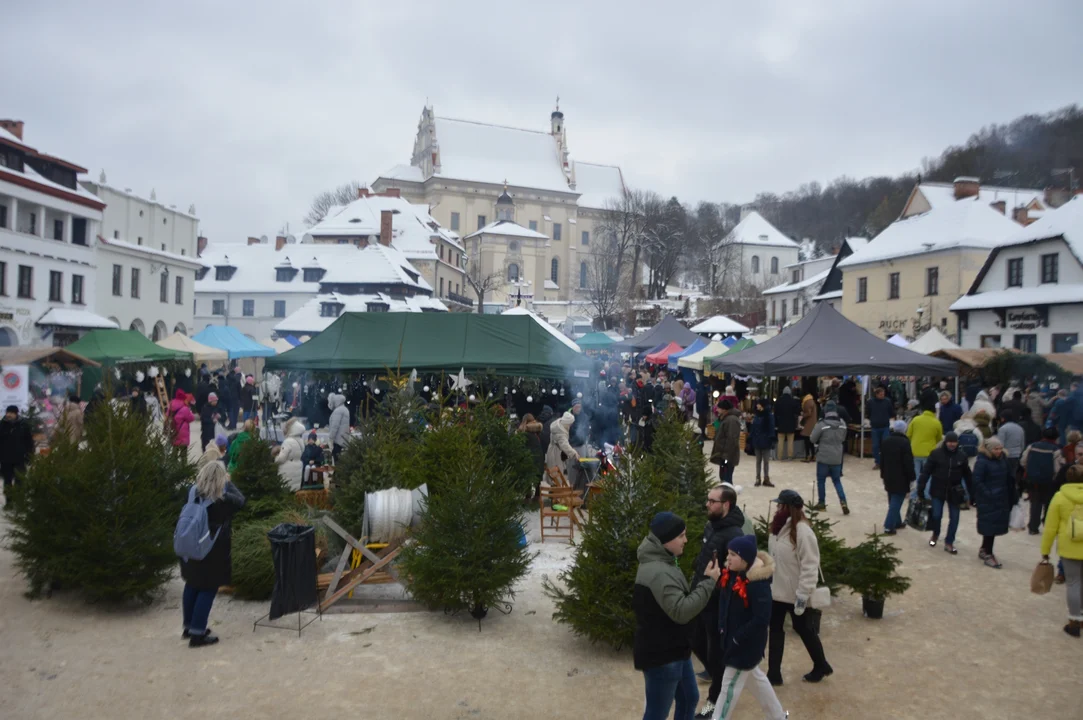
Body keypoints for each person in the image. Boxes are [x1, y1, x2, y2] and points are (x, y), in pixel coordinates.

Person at [633, 511, 721, 720]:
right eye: (681, 535)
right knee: (657, 713)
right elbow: (681, 611)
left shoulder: (665, 560)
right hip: (662, 656)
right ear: (666, 539)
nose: (686, 540)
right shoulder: (659, 572)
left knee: (690, 698)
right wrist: (709, 582)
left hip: (676, 649)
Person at [712, 535, 787, 720]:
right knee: (757, 680)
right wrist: (722, 627)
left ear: (744, 559)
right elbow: (724, 603)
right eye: (728, 553)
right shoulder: (731, 575)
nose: (727, 558)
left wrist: (738, 637)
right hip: (733, 641)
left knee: (728, 688)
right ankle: (779, 716)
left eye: (732, 554)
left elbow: (762, 619)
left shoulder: (758, 585)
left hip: (744, 647)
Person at [690, 486, 747, 719]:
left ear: (726, 505)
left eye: (712, 501)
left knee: (716, 656)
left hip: (717, 605)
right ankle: (719, 679)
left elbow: (736, 575)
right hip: (701, 599)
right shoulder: (712, 526)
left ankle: (711, 706)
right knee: (694, 639)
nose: (707, 504)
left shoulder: (735, 535)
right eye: (708, 499)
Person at [767, 490, 832, 687]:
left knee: (804, 629)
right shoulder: (777, 529)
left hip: (795, 594)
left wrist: (802, 595)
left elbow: (810, 566)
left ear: (788, 508)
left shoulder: (803, 532)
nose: (777, 508)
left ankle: (821, 665)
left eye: (780, 505)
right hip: (777, 592)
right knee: (775, 630)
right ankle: (774, 673)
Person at [179, 460, 246, 647]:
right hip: (212, 549)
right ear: (221, 479)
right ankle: (198, 634)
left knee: (192, 583)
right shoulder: (223, 500)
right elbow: (241, 500)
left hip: (190, 544)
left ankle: (189, 626)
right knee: (207, 588)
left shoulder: (192, 492)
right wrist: (228, 482)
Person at [1040, 464, 1083, 637]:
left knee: (1073, 583)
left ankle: (1074, 621)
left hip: (1069, 546)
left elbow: (1050, 528)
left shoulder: (1059, 497)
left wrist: (1045, 550)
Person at [917, 432, 972, 553]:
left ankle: (949, 542)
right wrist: (921, 486)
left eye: (954, 442)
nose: (952, 444)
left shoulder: (962, 456)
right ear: (945, 442)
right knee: (936, 515)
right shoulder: (936, 454)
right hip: (938, 489)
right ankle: (935, 535)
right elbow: (926, 471)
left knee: (955, 518)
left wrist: (972, 493)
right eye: (949, 442)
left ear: (957, 443)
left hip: (955, 491)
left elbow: (967, 475)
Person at [970, 437, 1014, 569]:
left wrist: (1013, 495)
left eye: (1000, 448)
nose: (999, 451)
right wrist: (988, 493)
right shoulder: (982, 462)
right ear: (989, 449)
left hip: (1001, 498)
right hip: (988, 499)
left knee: (994, 526)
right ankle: (988, 553)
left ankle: (984, 549)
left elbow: (1009, 479)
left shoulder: (1003, 461)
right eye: (996, 449)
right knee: (989, 525)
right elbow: (977, 481)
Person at [1021, 427, 1062, 535]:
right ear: (1056, 437)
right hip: (1049, 482)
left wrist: (1029, 470)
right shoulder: (1056, 450)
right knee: (1049, 504)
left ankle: (1033, 527)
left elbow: (1023, 461)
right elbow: (1057, 469)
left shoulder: (1032, 446)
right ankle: (1048, 526)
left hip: (1033, 480)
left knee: (1035, 503)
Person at [810, 401, 849, 514]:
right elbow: (843, 438)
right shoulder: (842, 423)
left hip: (823, 456)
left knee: (821, 480)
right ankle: (843, 502)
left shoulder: (821, 424)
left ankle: (822, 503)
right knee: (837, 481)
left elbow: (812, 439)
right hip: (837, 456)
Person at [880, 420, 915, 534]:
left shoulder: (886, 441)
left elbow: (882, 460)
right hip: (901, 476)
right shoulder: (905, 442)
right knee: (896, 501)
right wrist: (912, 477)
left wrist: (883, 473)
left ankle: (897, 522)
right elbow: (908, 462)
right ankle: (889, 526)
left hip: (888, 475)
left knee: (892, 499)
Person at [906, 403, 943, 499]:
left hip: (915, 451)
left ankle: (914, 495)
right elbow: (939, 438)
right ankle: (927, 495)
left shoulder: (915, 420)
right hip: (929, 452)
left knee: (916, 475)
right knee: (929, 475)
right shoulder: (936, 422)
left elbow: (908, 434)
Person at [0, 405, 35, 505]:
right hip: (5, 458)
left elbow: (29, 442)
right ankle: (9, 502)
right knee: (7, 481)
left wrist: (29, 455)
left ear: (16, 414)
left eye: (11, 413)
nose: (9, 415)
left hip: (20, 458)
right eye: (8, 412)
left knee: (20, 481)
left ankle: (19, 501)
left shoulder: (23, 425)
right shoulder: (2, 425)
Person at [710, 400, 741, 485]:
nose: (717, 410)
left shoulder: (731, 420)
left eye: (719, 408)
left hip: (727, 455)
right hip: (723, 455)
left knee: (726, 476)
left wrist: (726, 455)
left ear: (724, 409)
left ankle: (728, 492)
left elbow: (732, 439)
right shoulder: (724, 418)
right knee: (723, 475)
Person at [865, 385, 894, 470]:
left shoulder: (887, 401)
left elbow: (891, 412)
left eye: (883, 394)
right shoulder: (870, 402)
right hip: (875, 427)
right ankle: (878, 462)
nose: (882, 395)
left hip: (885, 426)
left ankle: (886, 462)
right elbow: (868, 412)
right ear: (876, 394)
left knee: (886, 445)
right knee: (875, 446)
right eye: (881, 394)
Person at [749, 398, 776, 488]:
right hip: (757, 441)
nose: (757, 405)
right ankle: (758, 478)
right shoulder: (756, 415)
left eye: (758, 404)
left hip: (766, 441)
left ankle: (766, 478)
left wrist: (771, 439)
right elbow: (753, 428)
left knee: (766, 461)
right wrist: (750, 439)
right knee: (758, 461)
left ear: (762, 405)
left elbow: (771, 428)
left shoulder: (769, 415)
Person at [273, 418, 306, 490]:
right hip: (297, 469)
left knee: (286, 491)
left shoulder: (288, 442)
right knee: (294, 491)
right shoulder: (300, 441)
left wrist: (275, 458)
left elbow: (281, 459)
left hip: (287, 471)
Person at [545, 411, 577, 480]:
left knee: (557, 474)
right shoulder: (560, 431)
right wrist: (574, 453)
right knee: (557, 476)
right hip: (555, 453)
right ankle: (556, 489)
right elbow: (564, 445)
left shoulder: (559, 425)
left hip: (555, 450)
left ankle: (556, 488)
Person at [518, 414, 545, 490]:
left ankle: (527, 498)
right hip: (539, 458)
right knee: (537, 480)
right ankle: (537, 497)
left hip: (527, 459)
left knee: (527, 480)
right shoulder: (539, 431)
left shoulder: (522, 433)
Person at [996, 410, 1025, 479]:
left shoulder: (1003, 428)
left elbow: (1000, 444)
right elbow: (1022, 444)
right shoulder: (1020, 428)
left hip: (1006, 455)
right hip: (1017, 455)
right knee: (1013, 475)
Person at [774, 387, 800, 462]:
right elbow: (797, 412)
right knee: (790, 441)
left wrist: (776, 424)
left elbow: (775, 413)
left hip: (781, 424)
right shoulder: (793, 401)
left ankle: (779, 456)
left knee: (780, 441)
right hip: (791, 424)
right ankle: (790, 456)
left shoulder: (778, 401)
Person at [327, 392, 350, 462]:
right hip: (344, 439)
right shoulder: (345, 409)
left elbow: (334, 426)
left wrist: (331, 438)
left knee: (336, 459)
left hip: (338, 440)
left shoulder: (338, 411)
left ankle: (337, 472)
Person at [799, 392, 818, 462]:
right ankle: (813, 456)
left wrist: (802, 414)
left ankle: (807, 456)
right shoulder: (812, 401)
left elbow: (808, 413)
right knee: (811, 441)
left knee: (807, 440)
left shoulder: (807, 402)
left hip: (808, 424)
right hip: (813, 423)